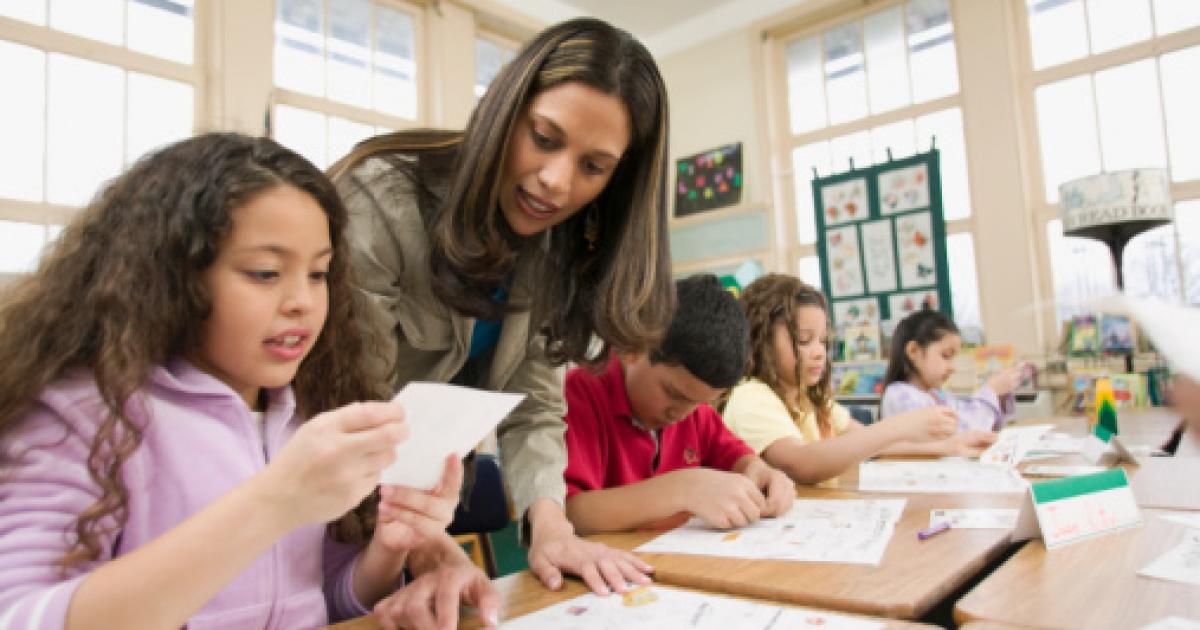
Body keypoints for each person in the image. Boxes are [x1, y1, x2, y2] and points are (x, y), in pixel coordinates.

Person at [0, 133, 496, 629]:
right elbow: (22, 616)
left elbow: (322, 601)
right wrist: (275, 502)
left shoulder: (309, 405)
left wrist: (389, 548)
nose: (302, 301)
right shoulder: (82, 413)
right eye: (264, 273)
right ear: (173, 277)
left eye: (319, 274)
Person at [330, 17, 673, 599]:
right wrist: (427, 545)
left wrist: (552, 528)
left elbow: (534, 407)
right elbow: (350, 407)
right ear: (504, 110)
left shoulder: (555, 245)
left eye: (593, 167)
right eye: (544, 137)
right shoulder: (382, 203)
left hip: (404, 518)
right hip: (329, 511)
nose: (556, 182)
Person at [562, 275, 794, 538]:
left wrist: (761, 472)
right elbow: (570, 513)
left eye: (701, 402)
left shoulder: (695, 411)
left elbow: (739, 458)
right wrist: (682, 489)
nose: (681, 414)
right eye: (673, 393)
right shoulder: (579, 396)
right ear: (633, 349)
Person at [722, 274, 993, 484]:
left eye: (823, 341)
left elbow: (870, 443)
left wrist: (949, 446)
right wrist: (899, 426)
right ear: (760, 341)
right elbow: (800, 463)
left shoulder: (808, 397)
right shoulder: (751, 396)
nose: (819, 352)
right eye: (804, 340)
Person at [880, 309, 1023, 431]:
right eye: (946, 355)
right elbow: (956, 433)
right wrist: (991, 391)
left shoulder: (937, 394)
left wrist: (998, 395)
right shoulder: (898, 395)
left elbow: (967, 417)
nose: (953, 367)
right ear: (914, 351)